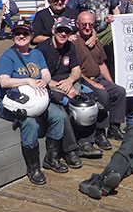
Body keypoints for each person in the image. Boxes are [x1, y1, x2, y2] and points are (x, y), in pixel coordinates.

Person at [0, 20, 67, 185]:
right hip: (12, 103)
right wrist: (27, 81)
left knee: (57, 116)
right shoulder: (7, 56)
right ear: (12, 36)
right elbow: (4, 82)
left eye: (25, 33)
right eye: (17, 33)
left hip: (37, 101)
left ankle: (52, 158)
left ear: (31, 36)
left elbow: (46, 74)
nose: (21, 36)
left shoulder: (36, 54)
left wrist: (43, 81)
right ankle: (33, 168)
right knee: (31, 124)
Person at [36, 17, 91, 169]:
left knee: (86, 104)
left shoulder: (70, 47)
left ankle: (86, 141)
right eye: (60, 30)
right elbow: (39, 77)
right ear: (53, 30)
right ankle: (71, 150)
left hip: (66, 83)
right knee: (63, 114)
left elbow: (77, 70)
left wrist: (69, 81)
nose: (63, 34)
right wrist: (61, 87)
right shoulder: (41, 49)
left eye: (66, 31)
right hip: (49, 85)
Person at [73, 11, 127, 151]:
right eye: (84, 24)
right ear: (78, 25)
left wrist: (111, 82)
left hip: (98, 78)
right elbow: (76, 70)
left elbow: (102, 64)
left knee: (119, 91)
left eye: (90, 24)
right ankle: (99, 132)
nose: (87, 27)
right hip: (83, 80)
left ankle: (114, 128)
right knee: (102, 95)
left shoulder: (95, 41)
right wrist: (93, 83)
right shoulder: (73, 42)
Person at [66, 0, 121, 78]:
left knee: (109, 64)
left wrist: (115, 18)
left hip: (106, 35)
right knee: (88, 67)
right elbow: (70, 14)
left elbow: (115, 9)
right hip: (85, 36)